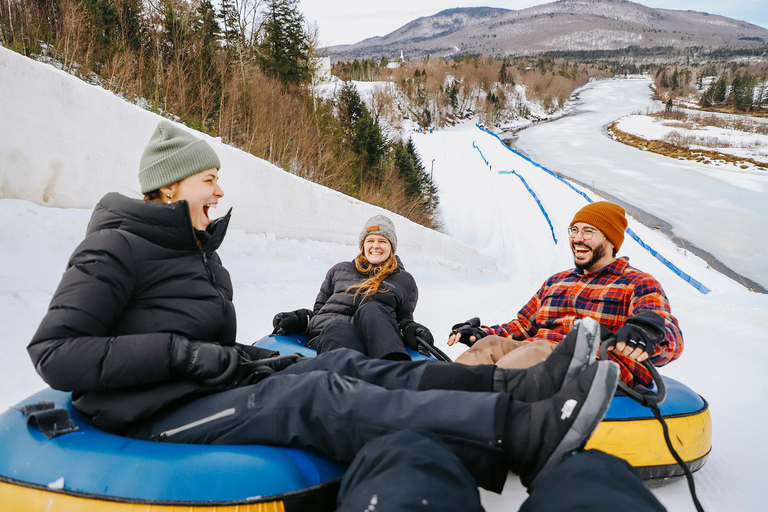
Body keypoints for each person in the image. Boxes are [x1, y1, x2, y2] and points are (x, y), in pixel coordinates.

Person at [27, 120, 623, 508]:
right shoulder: (115, 244)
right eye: (209, 180)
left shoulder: (196, 253)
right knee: (316, 397)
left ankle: (515, 387)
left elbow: (196, 343)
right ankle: (519, 434)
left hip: (193, 387)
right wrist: (185, 355)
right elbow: (54, 352)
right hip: (147, 410)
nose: (218, 192)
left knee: (342, 370)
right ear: (167, 188)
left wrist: (249, 359)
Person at [448, 201, 683, 387]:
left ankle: (479, 407)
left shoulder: (637, 282)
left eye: (589, 231)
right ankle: (440, 397)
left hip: (597, 367)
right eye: (574, 230)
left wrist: (644, 334)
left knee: (539, 350)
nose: (577, 238)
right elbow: (522, 326)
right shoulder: (556, 281)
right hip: (534, 358)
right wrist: (481, 333)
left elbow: (668, 333)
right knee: (490, 345)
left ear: (611, 240)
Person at [272, 215, 432, 361]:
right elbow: (319, 312)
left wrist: (411, 329)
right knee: (338, 327)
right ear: (363, 244)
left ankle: (393, 372)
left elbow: (402, 321)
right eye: (370, 240)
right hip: (331, 337)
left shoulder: (403, 280)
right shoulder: (339, 270)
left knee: (372, 310)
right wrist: (300, 318)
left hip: (374, 342)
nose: (375, 246)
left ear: (391, 247)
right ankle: (345, 382)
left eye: (382, 241)